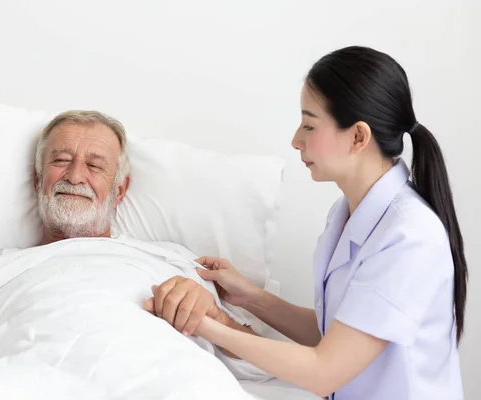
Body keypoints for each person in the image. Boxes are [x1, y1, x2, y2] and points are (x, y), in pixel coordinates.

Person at [146, 46, 467, 399]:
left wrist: (204, 323)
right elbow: (336, 333)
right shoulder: (346, 213)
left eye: (309, 125)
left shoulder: (409, 237)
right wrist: (249, 297)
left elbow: (325, 372)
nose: (296, 139)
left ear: (359, 136)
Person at [33, 109, 278, 382]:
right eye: (61, 160)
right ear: (37, 181)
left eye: (94, 166)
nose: (75, 176)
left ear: (120, 191)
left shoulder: (171, 262)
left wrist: (217, 320)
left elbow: (265, 367)